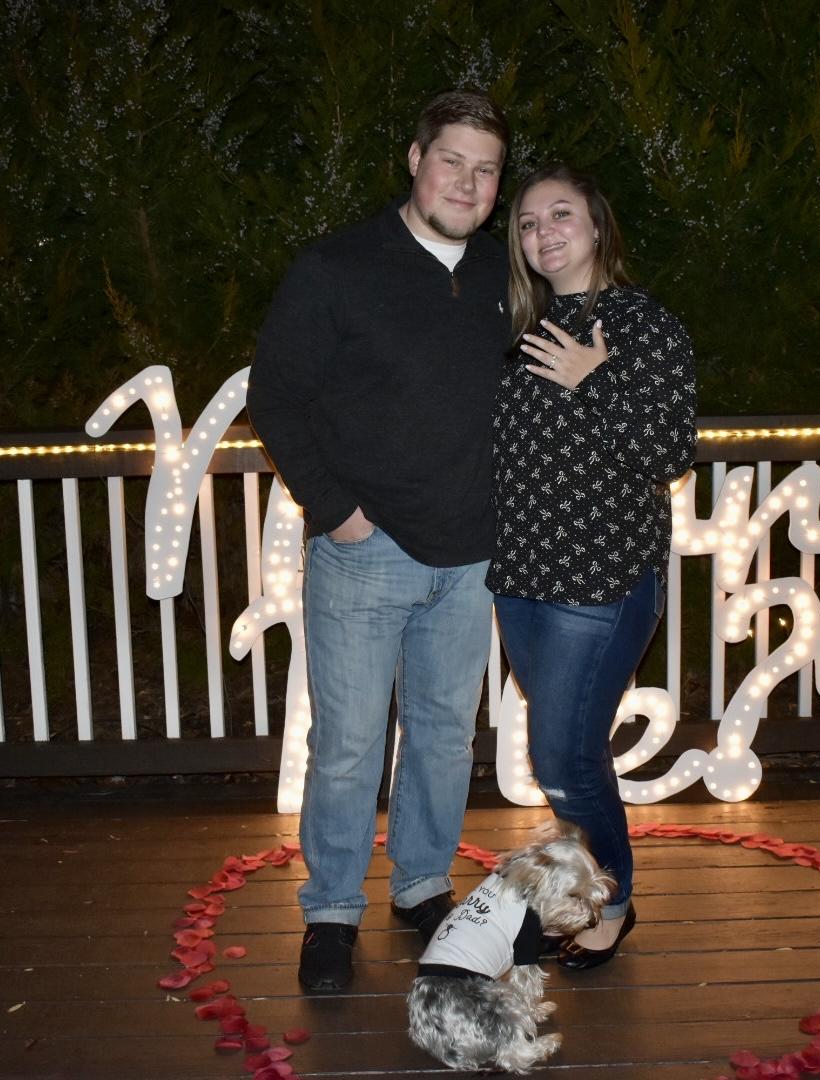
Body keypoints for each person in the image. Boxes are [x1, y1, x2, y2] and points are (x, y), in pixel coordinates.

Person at [247, 90, 510, 991]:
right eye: (451, 162)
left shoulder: (504, 274)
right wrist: (340, 515)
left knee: (443, 737)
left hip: (471, 554)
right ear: (414, 159)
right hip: (367, 551)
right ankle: (330, 910)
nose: (466, 184)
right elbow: (276, 397)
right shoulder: (335, 267)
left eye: (485, 170)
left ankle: (422, 886)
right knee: (350, 745)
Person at [488, 164, 698, 969]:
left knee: (563, 759)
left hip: (601, 579)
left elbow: (667, 451)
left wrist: (595, 378)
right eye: (528, 223)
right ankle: (582, 894)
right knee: (567, 755)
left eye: (560, 215)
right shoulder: (521, 328)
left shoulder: (643, 324)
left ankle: (610, 902)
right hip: (522, 578)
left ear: (598, 226)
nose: (543, 233)